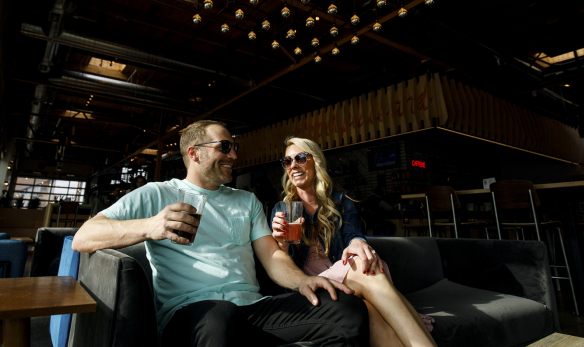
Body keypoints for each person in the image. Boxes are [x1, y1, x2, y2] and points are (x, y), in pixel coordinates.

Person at [72, 120, 369, 347]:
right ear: (194, 153)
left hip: (252, 310)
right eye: (224, 147)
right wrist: (150, 226)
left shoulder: (246, 201)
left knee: (348, 309)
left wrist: (303, 280)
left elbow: (274, 255)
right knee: (220, 318)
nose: (234, 155)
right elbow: (84, 236)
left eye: (234, 147)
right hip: (194, 314)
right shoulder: (158, 194)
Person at [270, 137, 437, 347]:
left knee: (368, 307)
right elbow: (281, 267)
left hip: (344, 281)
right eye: (287, 161)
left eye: (300, 158)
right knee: (362, 268)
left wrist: (358, 241)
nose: (293, 165)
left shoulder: (339, 201)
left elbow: (353, 235)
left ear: (316, 162)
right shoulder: (281, 209)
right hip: (308, 287)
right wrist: (282, 243)